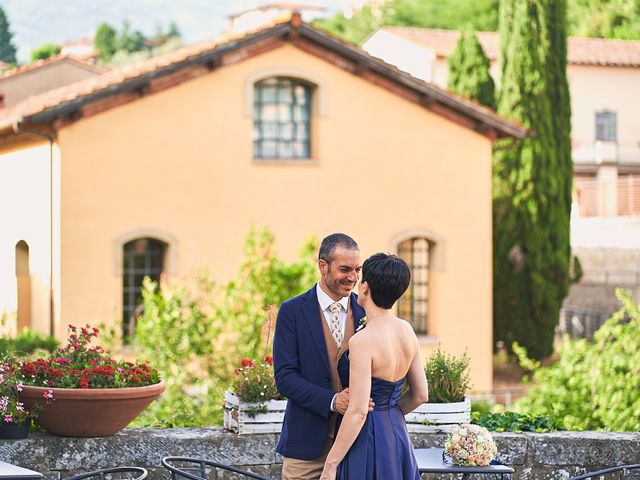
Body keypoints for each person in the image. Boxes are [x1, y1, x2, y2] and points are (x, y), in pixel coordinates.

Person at [320, 252, 429, 480]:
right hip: (397, 435)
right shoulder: (407, 331)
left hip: (366, 438)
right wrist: (389, 412)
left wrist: (331, 464)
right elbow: (420, 395)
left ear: (365, 287)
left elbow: (358, 411)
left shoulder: (362, 341)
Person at [274, 233, 373, 480]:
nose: (352, 277)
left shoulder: (367, 311)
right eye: (344, 269)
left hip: (356, 444)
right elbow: (285, 378)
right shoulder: (292, 311)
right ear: (322, 266)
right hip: (305, 449)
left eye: (357, 270)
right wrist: (332, 400)